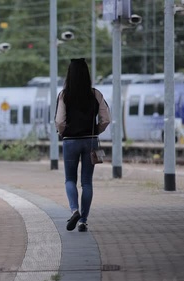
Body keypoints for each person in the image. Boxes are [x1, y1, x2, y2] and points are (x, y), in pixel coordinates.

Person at [54, 58, 111, 232]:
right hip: (91, 140)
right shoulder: (96, 94)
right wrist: (96, 131)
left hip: (70, 141)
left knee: (70, 179)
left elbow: (59, 121)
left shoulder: (64, 95)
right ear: (87, 74)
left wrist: (62, 132)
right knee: (87, 182)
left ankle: (74, 210)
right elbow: (106, 118)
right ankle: (83, 221)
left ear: (69, 74)